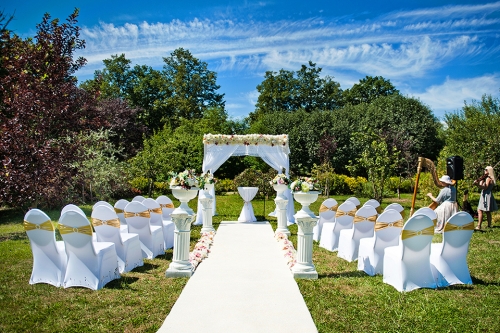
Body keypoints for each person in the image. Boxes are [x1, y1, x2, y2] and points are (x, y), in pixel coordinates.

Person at [474, 166, 498, 230]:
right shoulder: (489, 178)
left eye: (486, 170)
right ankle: (489, 225)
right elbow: (482, 186)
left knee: (480, 210)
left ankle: (479, 226)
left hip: (486, 195)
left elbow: (485, 187)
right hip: (487, 194)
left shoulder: (488, 179)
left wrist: (477, 184)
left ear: (488, 171)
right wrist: (481, 181)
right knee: (487, 211)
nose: (484, 171)